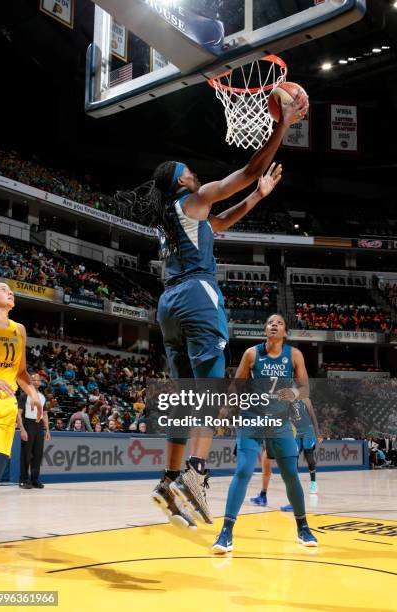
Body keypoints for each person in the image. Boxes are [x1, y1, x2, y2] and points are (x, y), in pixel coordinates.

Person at [116, 94, 308, 530]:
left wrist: (258, 198)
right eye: (187, 172)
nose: (193, 173)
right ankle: (197, 473)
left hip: (168, 306)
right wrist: (284, 124)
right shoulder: (194, 199)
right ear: (179, 183)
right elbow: (249, 170)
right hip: (197, 298)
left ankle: (168, 479)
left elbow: (222, 222)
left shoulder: (175, 217)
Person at [212, 313, 318, 553]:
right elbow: (237, 384)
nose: (274, 325)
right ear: (265, 329)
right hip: (251, 419)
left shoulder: (294, 355)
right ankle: (226, 532)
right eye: (270, 322)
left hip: (280, 422)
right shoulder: (251, 353)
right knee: (244, 470)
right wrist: (226, 408)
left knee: (291, 474)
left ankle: (303, 528)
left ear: (285, 333)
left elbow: (305, 389)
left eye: (279, 323)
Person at [0, 282, 42, 502]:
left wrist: (33, 394)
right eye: (2, 289)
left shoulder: (18, 329)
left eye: (11, 290)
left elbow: (20, 371)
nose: (9, 292)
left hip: (3, 411)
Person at [250, 397, 322, 508]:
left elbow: (310, 415)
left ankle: (304, 492)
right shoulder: (281, 401)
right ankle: (263, 496)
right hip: (285, 433)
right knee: (270, 465)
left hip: (293, 433)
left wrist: (317, 432)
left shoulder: (302, 399)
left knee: (296, 463)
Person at [17, 372, 50, 489]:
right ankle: (23, 480)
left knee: (38, 455)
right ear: (29, 381)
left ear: (40, 382)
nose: (36, 382)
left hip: (39, 425)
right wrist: (22, 429)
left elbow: (45, 414)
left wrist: (47, 430)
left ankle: (34, 479)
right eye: (33, 380)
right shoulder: (24, 395)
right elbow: (18, 414)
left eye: (38, 380)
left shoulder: (42, 396)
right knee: (26, 454)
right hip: (28, 424)